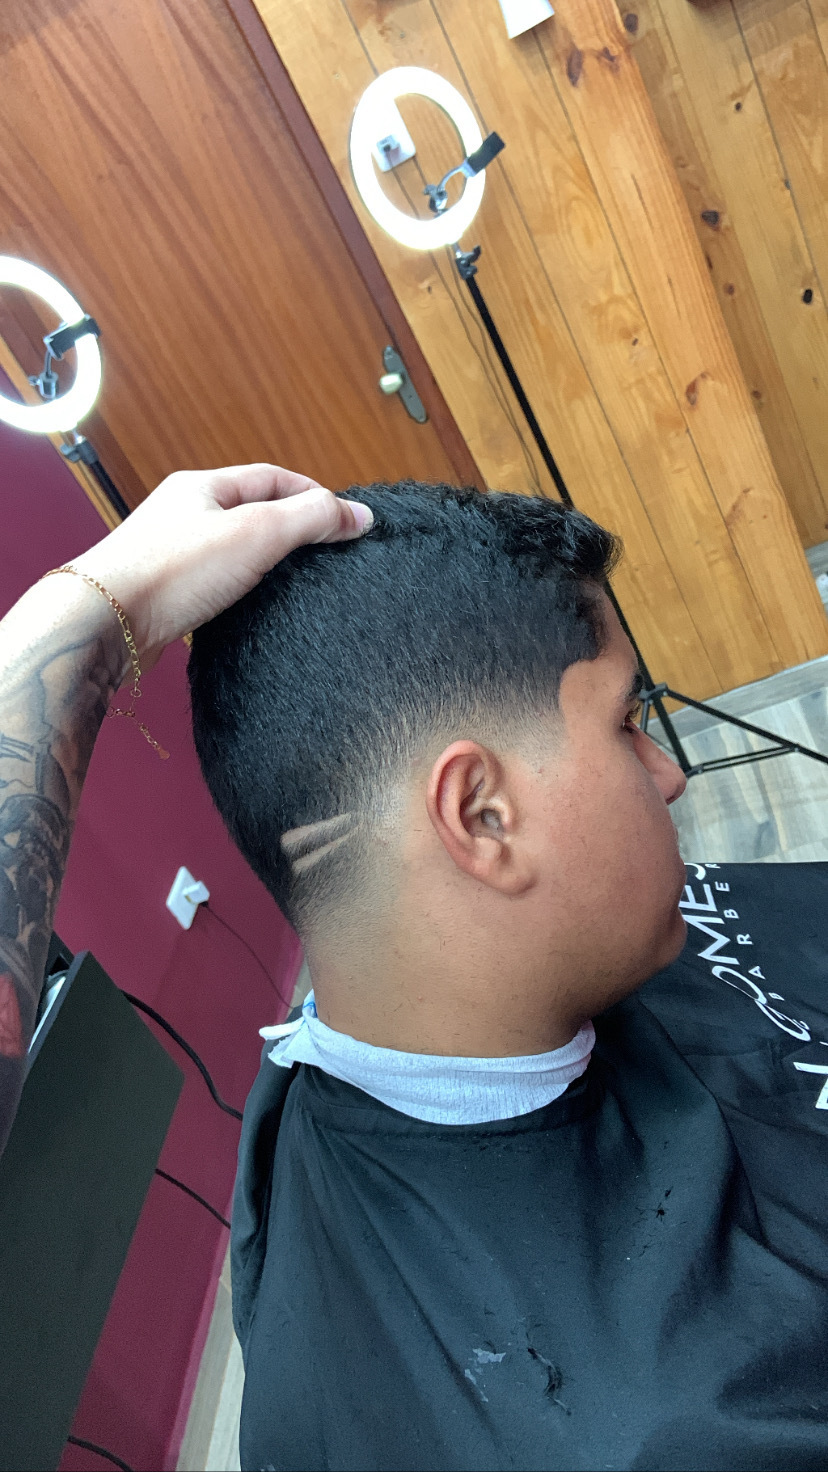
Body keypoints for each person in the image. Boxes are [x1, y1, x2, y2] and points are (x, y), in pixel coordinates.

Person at [1, 467, 826, 1472]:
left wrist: (80, 620)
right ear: (481, 816)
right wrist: (88, 609)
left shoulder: (416, 1010)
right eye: (626, 721)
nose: (670, 774)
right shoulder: (685, 1432)